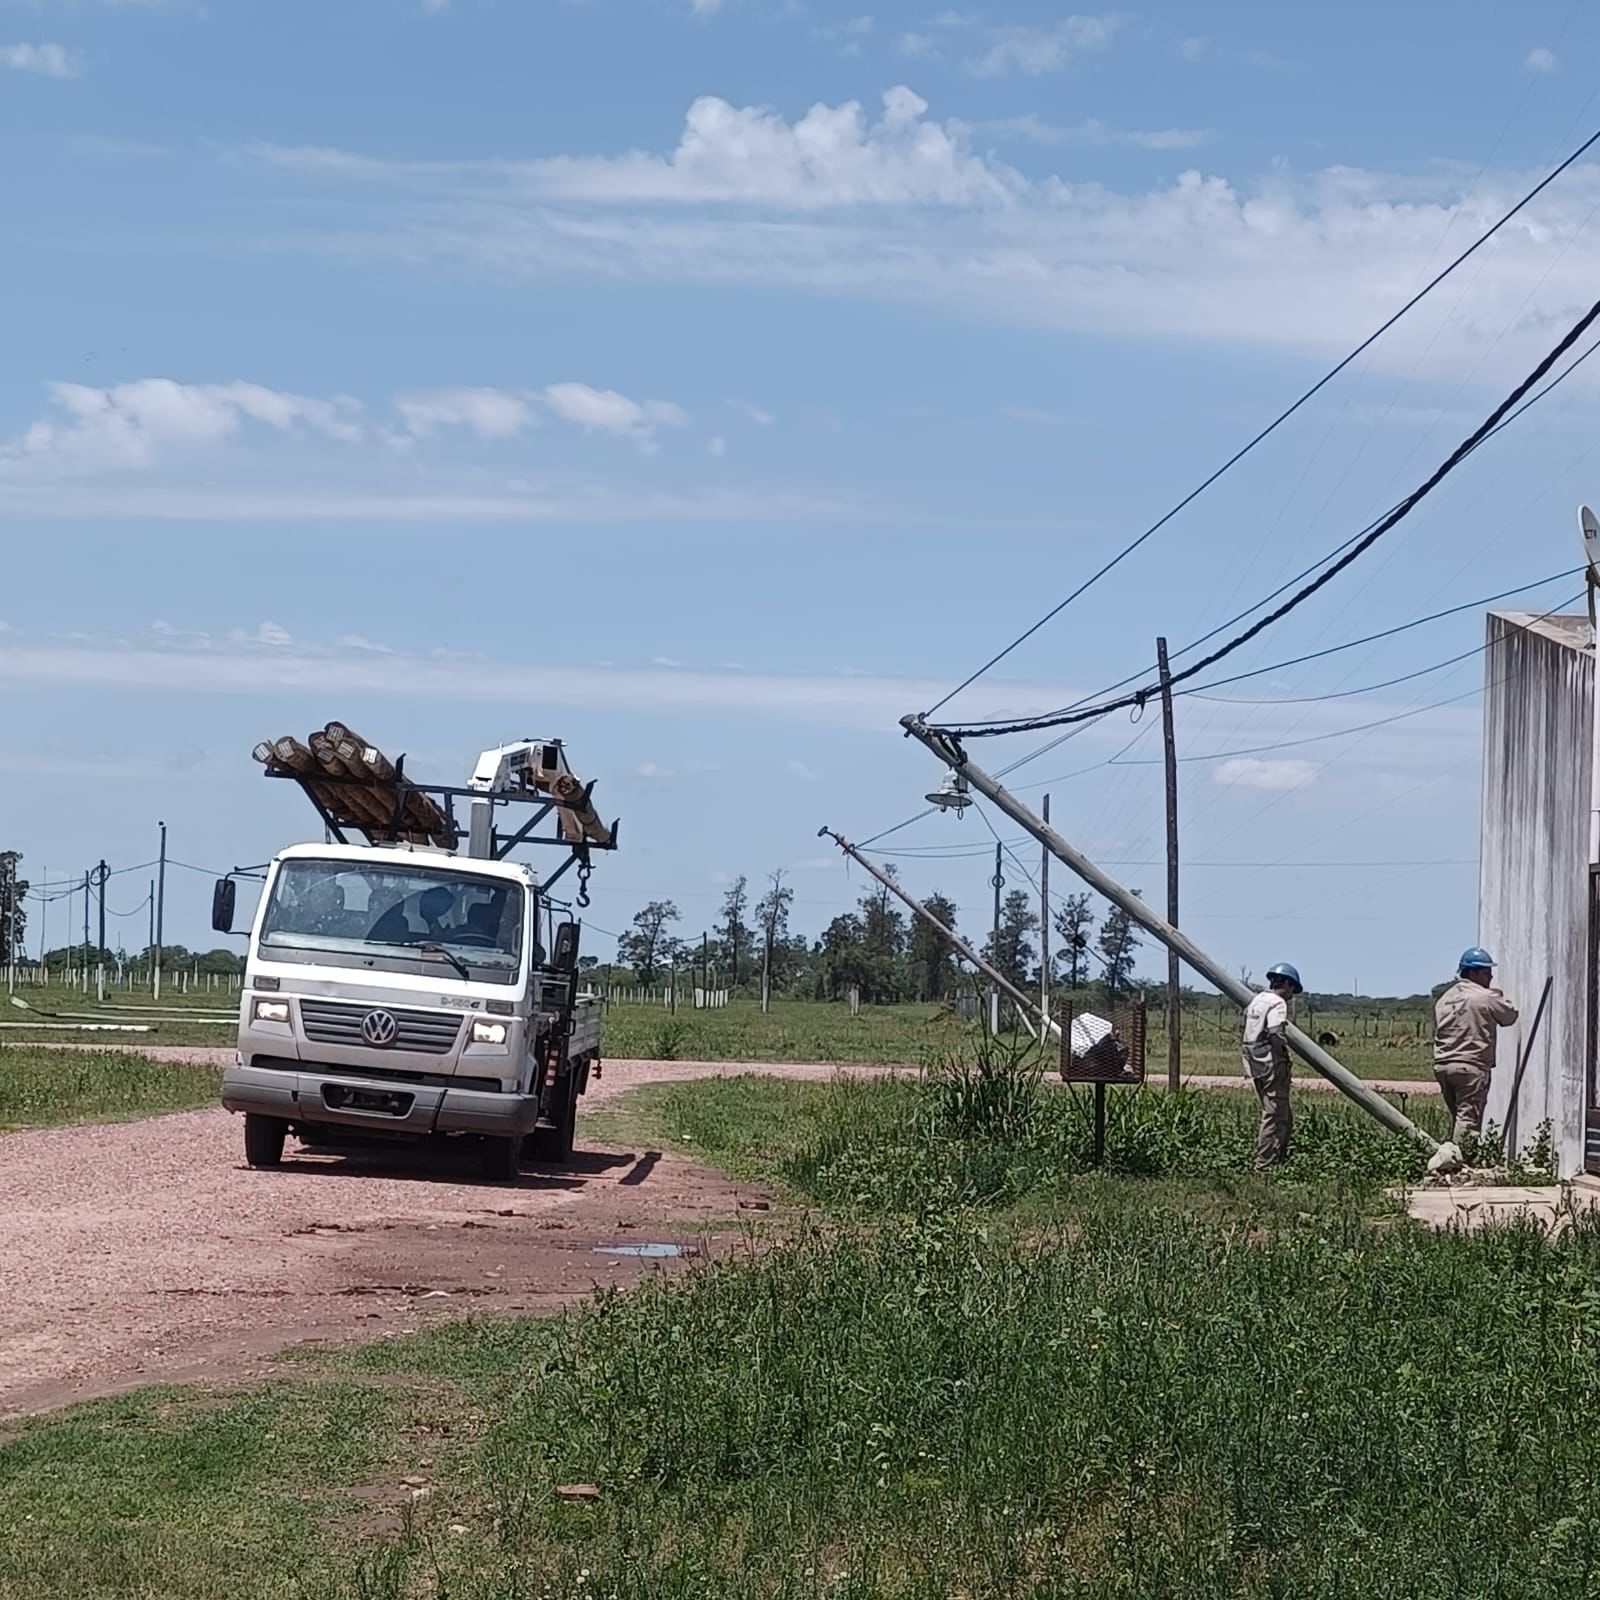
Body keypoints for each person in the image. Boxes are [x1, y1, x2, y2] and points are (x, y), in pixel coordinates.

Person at [1433, 947, 1518, 1147]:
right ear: (1472, 973)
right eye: (1486, 973)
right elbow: (1509, 1016)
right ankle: (1464, 1163)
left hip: (1443, 1064)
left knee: (1458, 1115)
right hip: (1470, 1065)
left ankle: (1451, 1157)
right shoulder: (1483, 996)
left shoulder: (1445, 998)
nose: (1490, 977)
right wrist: (1496, 994)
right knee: (1468, 1119)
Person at [1242, 962, 1301, 1171]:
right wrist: (1283, 1055)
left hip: (1254, 1061)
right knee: (1274, 1114)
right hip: (1271, 1062)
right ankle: (1264, 1165)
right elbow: (1275, 1031)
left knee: (1282, 1113)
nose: (1292, 995)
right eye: (1293, 988)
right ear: (1286, 983)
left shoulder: (1257, 1000)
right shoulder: (1278, 1003)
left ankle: (1280, 1156)